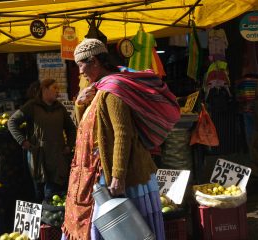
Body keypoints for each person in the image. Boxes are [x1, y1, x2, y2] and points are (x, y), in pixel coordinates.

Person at [61, 38, 181, 240]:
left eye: (81, 65)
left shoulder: (113, 90)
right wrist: (80, 104)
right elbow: (89, 129)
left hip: (123, 176)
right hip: (99, 172)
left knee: (122, 231)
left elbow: (122, 134)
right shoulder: (99, 89)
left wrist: (118, 176)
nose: (80, 71)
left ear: (95, 62)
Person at [8, 79, 76, 202]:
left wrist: (69, 145)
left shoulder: (60, 108)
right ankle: (42, 218)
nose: (58, 92)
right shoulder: (31, 106)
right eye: (55, 88)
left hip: (57, 157)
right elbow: (12, 122)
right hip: (38, 156)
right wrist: (22, 141)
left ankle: (50, 217)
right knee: (39, 192)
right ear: (45, 89)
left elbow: (71, 128)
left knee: (54, 193)